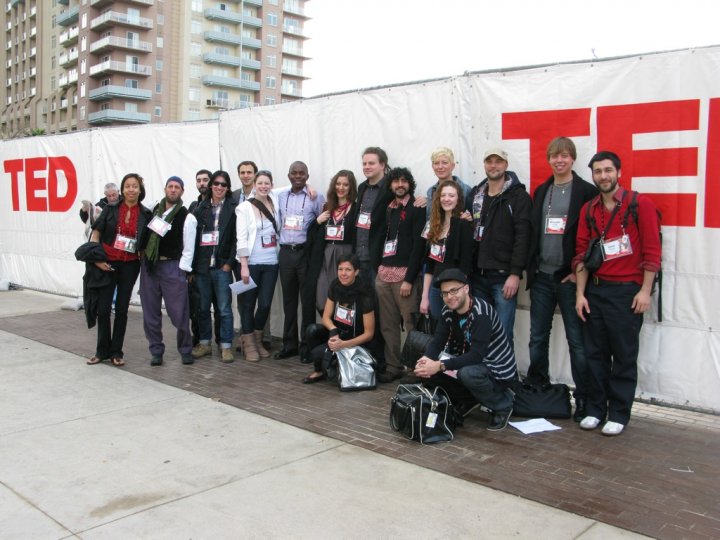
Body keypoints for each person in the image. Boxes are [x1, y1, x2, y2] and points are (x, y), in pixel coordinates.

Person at [573, 151, 661, 436]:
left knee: (623, 355)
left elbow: (652, 252)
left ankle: (619, 413)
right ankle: (596, 410)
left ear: (618, 173)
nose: (603, 176)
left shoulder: (639, 204)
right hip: (596, 292)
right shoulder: (589, 209)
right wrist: (580, 294)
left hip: (627, 293)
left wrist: (645, 291)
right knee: (595, 355)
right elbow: (581, 255)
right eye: (598, 171)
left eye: (608, 170)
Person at [525, 137, 598, 421]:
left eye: (564, 156)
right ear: (549, 159)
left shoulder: (586, 191)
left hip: (569, 278)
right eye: (555, 156)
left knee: (577, 342)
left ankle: (584, 398)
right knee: (537, 338)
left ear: (573, 159)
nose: (559, 160)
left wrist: (579, 271)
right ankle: (538, 389)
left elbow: (593, 238)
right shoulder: (542, 191)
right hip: (542, 276)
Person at [414, 268, 517, 431]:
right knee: (428, 369)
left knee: (467, 374)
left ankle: (502, 405)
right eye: (445, 293)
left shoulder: (481, 313)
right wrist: (426, 360)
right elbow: (438, 341)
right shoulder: (448, 310)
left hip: (497, 368)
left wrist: (439, 365)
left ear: (466, 289)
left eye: (454, 290)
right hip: (469, 360)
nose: (449, 297)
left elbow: (477, 355)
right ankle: (469, 399)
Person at [467, 146, 531, 346]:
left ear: (506, 165)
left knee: (502, 334)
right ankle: (482, 367)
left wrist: (515, 273)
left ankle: (505, 368)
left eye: (498, 161)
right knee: (480, 333)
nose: (493, 166)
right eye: (489, 161)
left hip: (503, 278)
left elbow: (523, 237)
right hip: (478, 276)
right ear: (484, 164)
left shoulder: (518, 197)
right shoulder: (475, 195)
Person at [87, 173, 152, 367]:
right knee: (103, 309)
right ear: (122, 190)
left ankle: (116, 351)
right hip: (107, 264)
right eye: (128, 186)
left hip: (130, 266)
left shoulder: (146, 214)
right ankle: (101, 351)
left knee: (122, 309)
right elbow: (96, 233)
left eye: (135, 186)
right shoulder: (111, 209)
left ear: (140, 190)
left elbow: (147, 244)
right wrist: (97, 259)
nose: (131, 189)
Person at [374, 167, 426, 383]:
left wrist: (409, 279)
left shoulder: (417, 207)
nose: (400, 185)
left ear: (410, 184)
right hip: (384, 275)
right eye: (396, 181)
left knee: (412, 324)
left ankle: (416, 369)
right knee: (388, 324)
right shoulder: (389, 208)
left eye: (404, 181)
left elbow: (419, 247)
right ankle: (393, 366)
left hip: (405, 277)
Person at [139, 176, 197, 366]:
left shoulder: (187, 217)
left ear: (182, 191)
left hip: (172, 267)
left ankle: (185, 349)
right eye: (170, 186)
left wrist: (182, 271)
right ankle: (156, 350)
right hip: (150, 267)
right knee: (150, 312)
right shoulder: (153, 211)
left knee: (179, 312)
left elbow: (189, 248)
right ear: (165, 189)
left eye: (177, 187)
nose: (173, 190)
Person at [275, 161, 325, 359]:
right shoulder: (280, 196)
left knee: (307, 301)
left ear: (307, 176)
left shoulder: (316, 197)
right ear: (288, 176)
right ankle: (289, 345)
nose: (298, 176)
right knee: (288, 301)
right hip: (286, 253)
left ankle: (307, 347)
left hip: (305, 253)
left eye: (301, 173)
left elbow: (322, 223)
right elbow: (259, 190)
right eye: (294, 173)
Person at [302, 254, 375, 384]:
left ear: (356, 272)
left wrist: (343, 344)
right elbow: (326, 317)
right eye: (340, 269)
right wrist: (333, 330)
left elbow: (369, 334)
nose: (343, 273)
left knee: (318, 353)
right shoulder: (335, 285)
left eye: (348, 270)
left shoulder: (365, 293)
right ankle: (319, 371)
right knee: (312, 330)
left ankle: (336, 364)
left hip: (356, 341)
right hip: (338, 335)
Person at [191, 170, 238, 363]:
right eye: (216, 183)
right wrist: (193, 268)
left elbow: (237, 239)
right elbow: (193, 240)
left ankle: (226, 346)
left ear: (228, 188)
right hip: (203, 267)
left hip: (221, 267)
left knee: (224, 309)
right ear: (211, 185)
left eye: (223, 184)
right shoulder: (200, 208)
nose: (219, 187)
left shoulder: (234, 208)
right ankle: (204, 343)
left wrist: (229, 263)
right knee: (203, 308)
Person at [235, 170, 280, 361]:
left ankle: (258, 339)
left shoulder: (275, 200)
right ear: (254, 185)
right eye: (260, 183)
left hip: (272, 262)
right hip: (251, 263)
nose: (263, 186)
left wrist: (309, 187)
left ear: (271, 185)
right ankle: (249, 344)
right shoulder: (244, 208)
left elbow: (291, 188)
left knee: (265, 304)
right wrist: (244, 265)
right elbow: (241, 238)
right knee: (247, 304)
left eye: (267, 183)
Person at [306, 170, 358, 317]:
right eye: (338, 183)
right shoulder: (327, 207)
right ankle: (329, 324)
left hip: (346, 255)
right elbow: (313, 234)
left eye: (345, 185)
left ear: (351, 187)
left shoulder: (355, 209)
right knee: (321, 295)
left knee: (343, 295)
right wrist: (317, 221)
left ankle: (340, 328)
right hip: (326, 256)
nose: (341, 187)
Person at [419, 180, 473, 321]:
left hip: (455, 291)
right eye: (443, 195)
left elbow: (466, 264)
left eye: (451, 195)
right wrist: (425, 296)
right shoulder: (434, 225)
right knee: (438, 327)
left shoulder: (463, 224)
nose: (446, 199)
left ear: (458, 199)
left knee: (456, 328)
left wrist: (456, 292)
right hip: (436, 289)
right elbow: (429, 265)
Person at [188, 169, 221, 347]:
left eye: (205, 180)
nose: (202, 183)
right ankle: (199, 339)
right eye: (199, 180)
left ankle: (221, 341)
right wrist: (190, 268)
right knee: (199, 306)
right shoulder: (194, 207)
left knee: (220, 306)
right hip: (200, 266)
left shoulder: (220, 205)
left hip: (217, 263)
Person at [424, 147, 472, 219]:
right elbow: (429, 219)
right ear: (432, 167)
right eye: (436, 163)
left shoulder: (466, 190)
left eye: (444, 163)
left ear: (453, 166)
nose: (440, 167)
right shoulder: (431, 191)